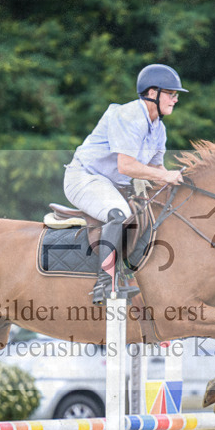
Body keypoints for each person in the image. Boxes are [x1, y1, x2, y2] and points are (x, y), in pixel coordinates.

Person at [64, 63, 188, 304]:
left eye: (175, 96)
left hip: (111, 185)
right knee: (118, 214)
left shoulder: (158, 128)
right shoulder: (129, 115)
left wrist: (181, 179)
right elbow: (127, 166)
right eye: (171, 94)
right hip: (84, 177)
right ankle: (105, 282)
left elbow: (155, 169)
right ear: (153, 93)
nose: (175, 100)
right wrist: (166, 176)